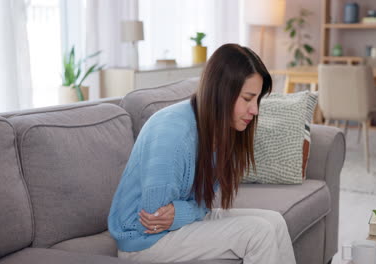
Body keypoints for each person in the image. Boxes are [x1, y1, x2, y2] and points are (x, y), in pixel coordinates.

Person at [108, 43, 296, 264]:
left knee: (275, 222)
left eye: (257, 100)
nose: (255, 110)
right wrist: (184, 212)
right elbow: (155, 218)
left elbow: (202, 204)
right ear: (222, 93)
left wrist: (182, 212)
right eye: (247, 98)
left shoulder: (222, 130)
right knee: (259, 233)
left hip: (178, 224)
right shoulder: (173, 134)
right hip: (144, 241)